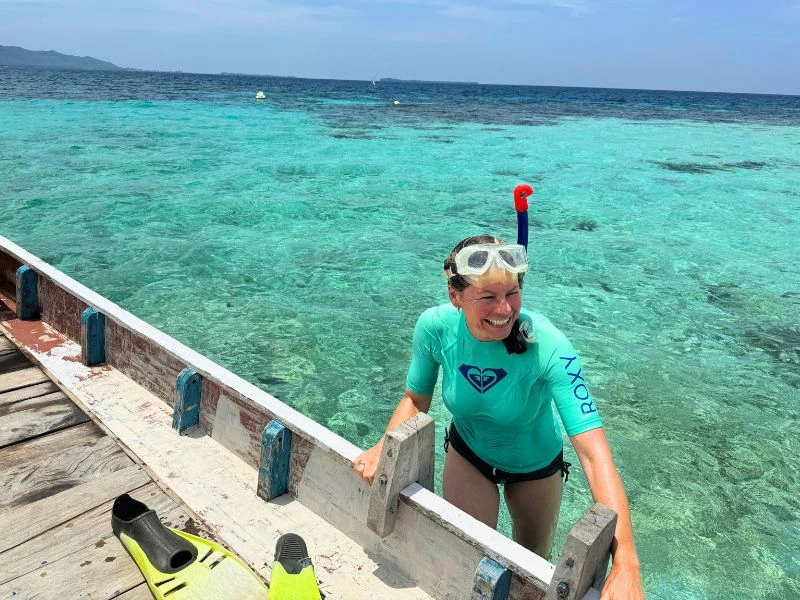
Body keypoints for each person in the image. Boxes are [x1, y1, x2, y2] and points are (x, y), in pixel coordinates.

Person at [353, 235, 645, 600]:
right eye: (488, 297)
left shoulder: (550, 345)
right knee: (468, 558)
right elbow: (416, 399)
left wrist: (627, 565)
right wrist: (385, 444)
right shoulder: (434, 328)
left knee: (533, 568)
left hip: (536, 468)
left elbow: (593, 453)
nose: (504, 310)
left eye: (512, 293)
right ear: (455, 295)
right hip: (469, 456)